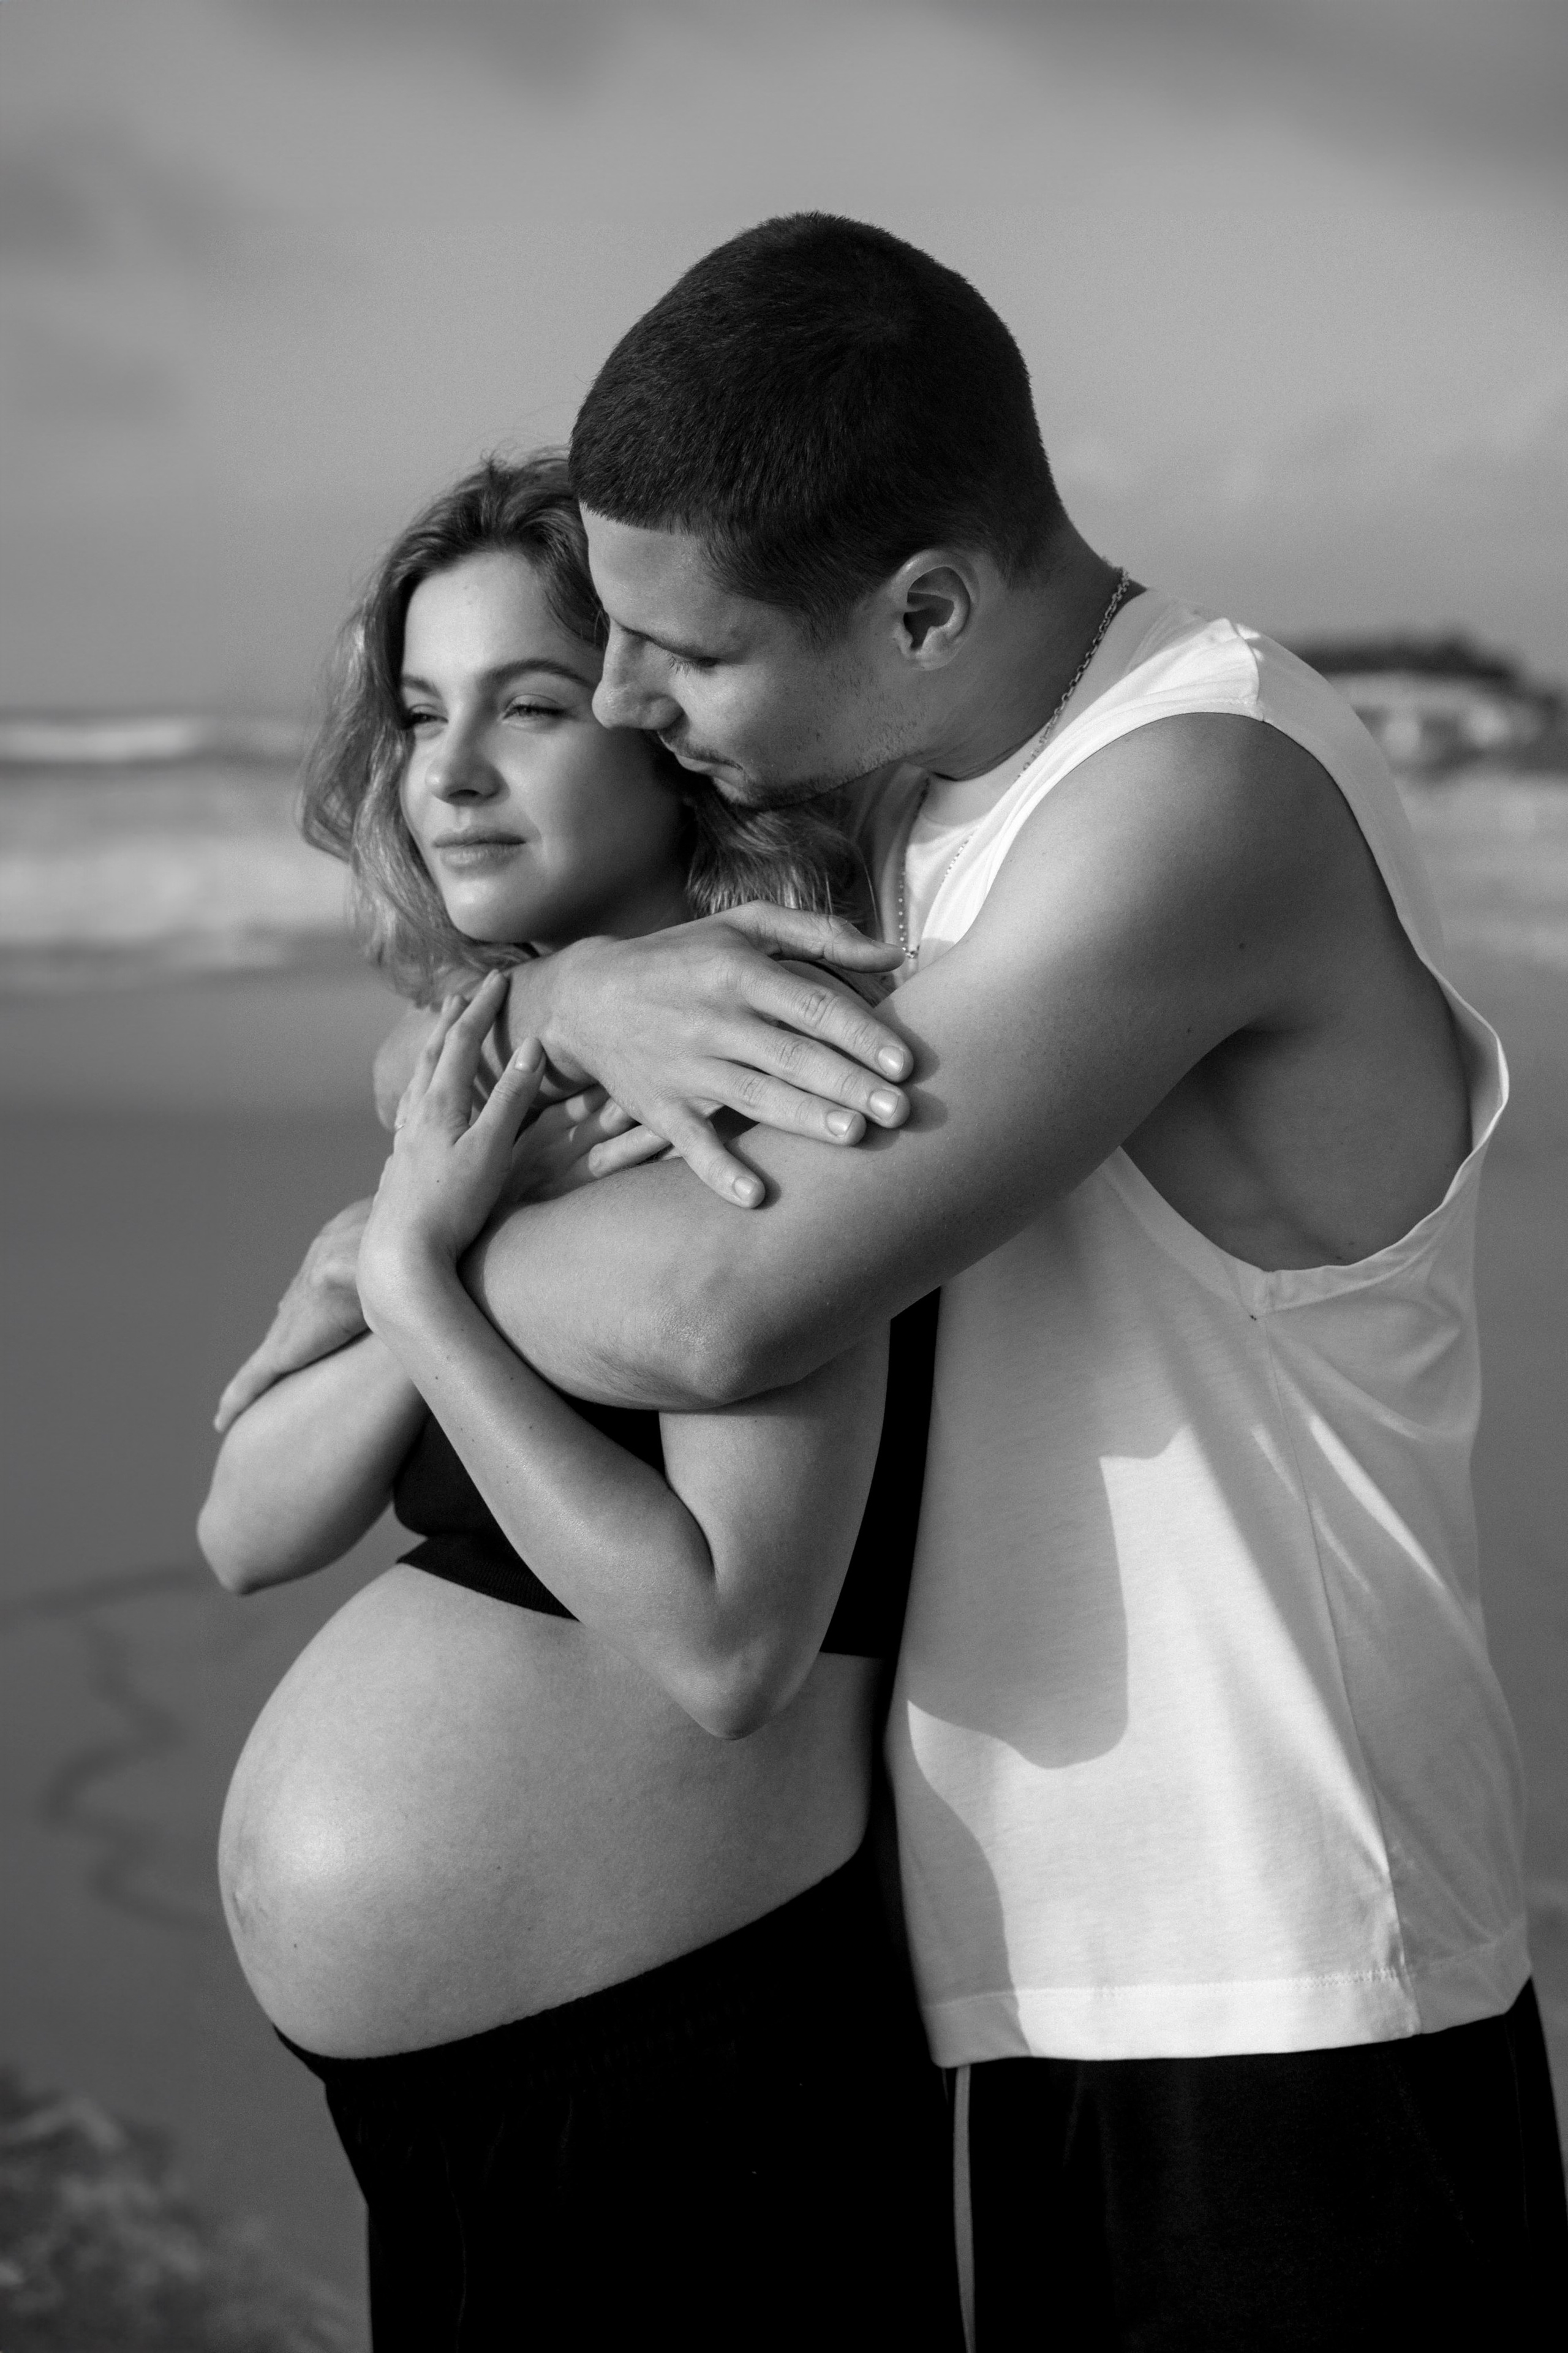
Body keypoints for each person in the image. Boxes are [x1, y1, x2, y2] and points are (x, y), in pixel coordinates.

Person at [249, 214, 1555, 2346]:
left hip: (1293, 1971)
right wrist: (565, 998)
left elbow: (722, 1308)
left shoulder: (1195, 791)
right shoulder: (923, 815)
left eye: (681, 655)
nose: (634, 705)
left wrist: (407, 1252)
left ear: (925, 608)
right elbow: (468, 1041)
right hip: (1031, 1968)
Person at [198, 455, 963, 2353]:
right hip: (471, 2113)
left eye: (527, 708)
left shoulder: (775, 1078)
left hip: (682, 2091)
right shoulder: (479, 1078)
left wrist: (412, 1282)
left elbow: (730, 1644)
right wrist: (431, 1258)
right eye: (419, 714)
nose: (448, 774)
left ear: (663, 724)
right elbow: (243, 1527)